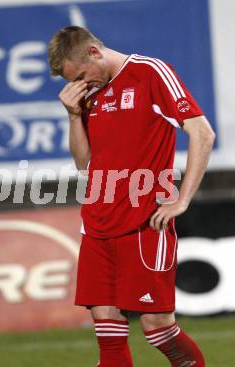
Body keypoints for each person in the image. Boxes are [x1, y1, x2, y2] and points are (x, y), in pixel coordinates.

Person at [48, 26, 215, 367]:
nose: (82, 84)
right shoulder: (89, 95)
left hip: (143, 225)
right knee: (108, 339)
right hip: (95, 226)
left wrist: (182, 199)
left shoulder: (149, 73)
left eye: (81, 75)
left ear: (95, 52)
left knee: (157, 329)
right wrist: (74, 115)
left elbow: (202, 131)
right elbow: (85, 164)